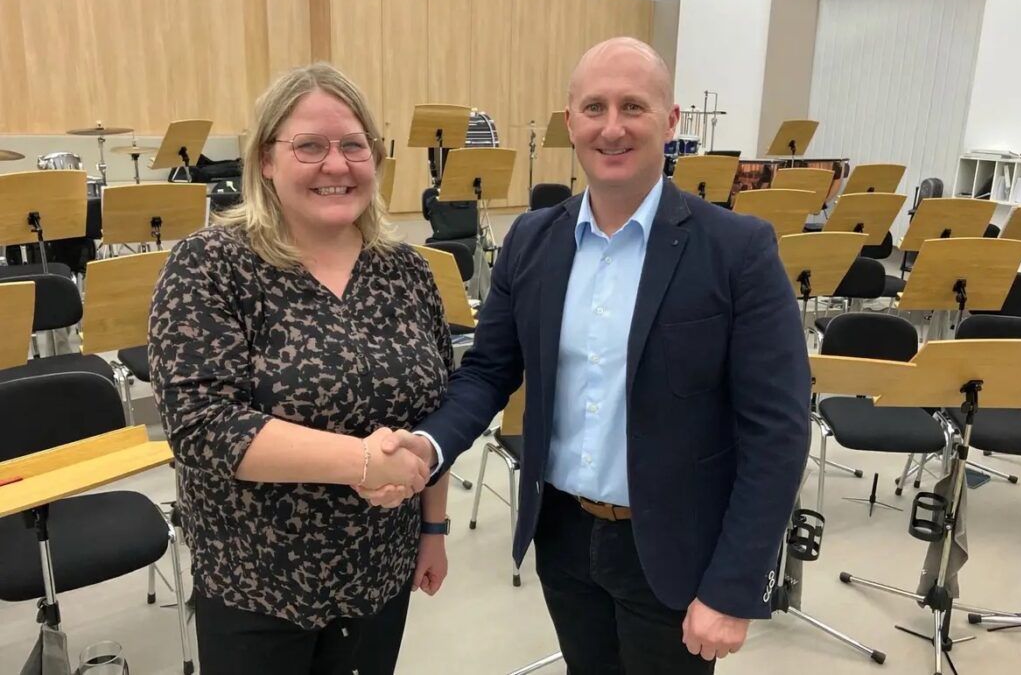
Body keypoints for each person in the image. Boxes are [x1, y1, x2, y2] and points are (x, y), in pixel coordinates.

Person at [362, 38, 811, 673]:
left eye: (634, 106)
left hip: (676, 546)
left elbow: (778, 429)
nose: (612, 127)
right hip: (564, 536)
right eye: (595, 108)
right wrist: (429, 446)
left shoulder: (738, 249)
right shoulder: (531, 239)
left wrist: (734, 585)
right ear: (570, 121)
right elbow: (489, 371)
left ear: (670, 121)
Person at [148, 62, 451, 675]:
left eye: (354, 145)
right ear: (265, 159)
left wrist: (434, 529)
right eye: (310, 146)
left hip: (381, 574)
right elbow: (204, 426)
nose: (337, 165)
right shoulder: (210, 265)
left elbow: (435, 411)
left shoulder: (408, 271)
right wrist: (362, 462)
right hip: (258, 584)